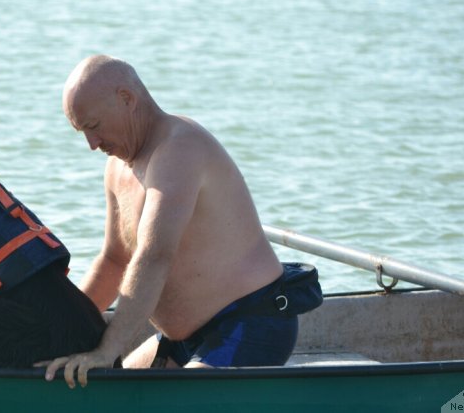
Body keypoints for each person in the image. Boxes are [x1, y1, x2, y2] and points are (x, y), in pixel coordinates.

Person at [40, 55, 296, 388]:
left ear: (127, 99)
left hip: (251, 321)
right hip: (182, 337)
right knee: (107, 398)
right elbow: (115, 261)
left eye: (93, 127)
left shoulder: (180, 148)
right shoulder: (117, 167)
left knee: (171, 401)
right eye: (82, 133)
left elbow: (154, 256)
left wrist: (107, 350)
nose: (91, 145)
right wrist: (61, 333)